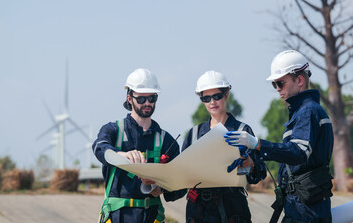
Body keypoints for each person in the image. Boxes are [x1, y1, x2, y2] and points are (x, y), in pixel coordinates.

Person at [225, 50, 334, 223]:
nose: (277, 89)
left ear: (299, 80)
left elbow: (298, 152)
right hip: (303, 206)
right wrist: (254, 158)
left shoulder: (308, 111)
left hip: (306, 210)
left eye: (280, 83)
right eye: (274, 85)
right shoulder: (304, 112)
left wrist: (258, 144)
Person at [92, 68, 185, 223]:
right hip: (117, 217)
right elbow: (99, 147)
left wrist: (161, 188)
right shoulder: (114, 130)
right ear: (130, 98)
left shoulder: (166, 140)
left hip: (151, 216)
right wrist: (121, 155)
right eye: (141, 99)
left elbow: (181, 183)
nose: (147, 103)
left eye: (152, 98)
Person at [182, 70, 267, 223]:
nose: (212, 102)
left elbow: (259, 173)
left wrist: (252, 165)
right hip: (199, 212)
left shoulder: (242, 131)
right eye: (206, 98)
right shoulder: (194, 134)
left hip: (233, 210)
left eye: (217, 96)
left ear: (226, 95)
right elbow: (182, 173)